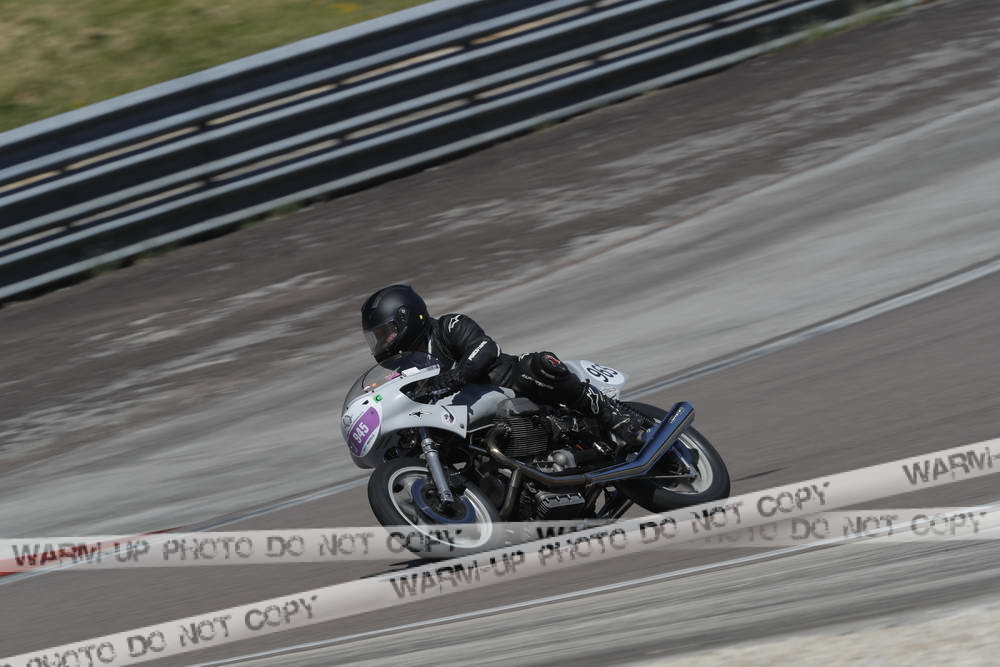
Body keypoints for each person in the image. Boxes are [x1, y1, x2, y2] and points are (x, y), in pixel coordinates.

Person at [360, 284, 648, 451]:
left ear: (407, 318)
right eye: (377, 337)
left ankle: (611, 415)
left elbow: (485, 347)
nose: (382, 342)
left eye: (386, 333)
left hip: (507, 383)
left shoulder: (448, 326)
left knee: (541, 363)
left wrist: (457, 376)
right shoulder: (406, 367)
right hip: (464, 419)